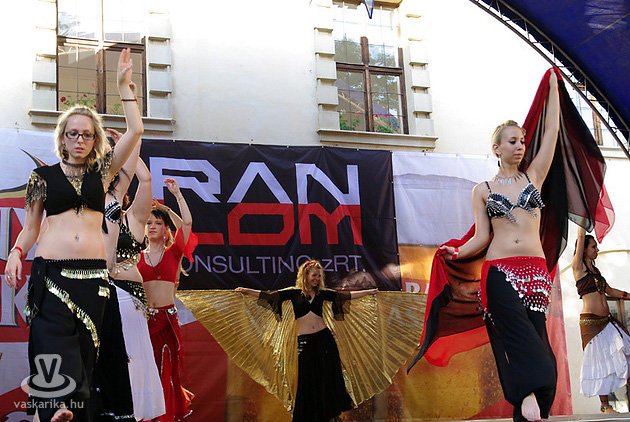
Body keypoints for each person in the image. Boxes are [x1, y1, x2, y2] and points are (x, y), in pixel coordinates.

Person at [4, 48, 143, 422]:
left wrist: (123, 88)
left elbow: (135, 131)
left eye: (86, 134)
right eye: (72, 134)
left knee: (85, 350)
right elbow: (31, 228)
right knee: (52, 341)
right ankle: (56, 407)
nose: (79, 140)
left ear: (95, 140)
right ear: (62, 139)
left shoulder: (103, 174)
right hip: (52, 274)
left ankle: (73, 412)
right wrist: (16, 251)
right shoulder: (42, 178)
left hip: (93, 278)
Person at [438, 72, 559, 422]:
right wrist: (458, 253)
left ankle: (529, 404)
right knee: (517, 338)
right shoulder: (483, 190)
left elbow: (551, 133)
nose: (520, 146)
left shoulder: (534, 176)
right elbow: (481, 237)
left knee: (537, 342)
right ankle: (527, 393)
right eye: (512, 141)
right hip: (499, 273)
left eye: (522, 141)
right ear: (497, 148)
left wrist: (553, 88)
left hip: (535, 273)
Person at [235, 260, 377, 421]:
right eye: (314, 275)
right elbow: (270, 296)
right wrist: (246, 290)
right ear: (305, 275)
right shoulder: (294, 293)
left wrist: (368, 292)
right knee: (307, 378)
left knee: (328, 377)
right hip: (304, 341)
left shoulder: (322, 293)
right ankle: (309, 416)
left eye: (319, 276)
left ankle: (329, 415)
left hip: (325, 340)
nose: (317, 279)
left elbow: (344, 296)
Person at [102, 127, 165, 420]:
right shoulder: (92, 216)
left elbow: (146, 179)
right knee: (110, 360)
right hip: (101, 293)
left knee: (134, 359)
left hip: (130, 299)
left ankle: (134, 414)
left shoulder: (135, 220)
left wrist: (130, 143)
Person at [137, 178, 197, 422]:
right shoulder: (135, 257)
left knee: (165, 370)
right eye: (148, 223)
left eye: (158, 223)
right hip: (143, 323)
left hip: (167, 322)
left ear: (166, 230)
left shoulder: (174, 253)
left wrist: (172, 202)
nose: (152, 226)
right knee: (144, 371)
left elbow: (187, 224)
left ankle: (164, 417)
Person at [572, 226, 630, 414]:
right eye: (593, 247)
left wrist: (628, 295)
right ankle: (605, 406)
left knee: (626, 351)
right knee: (599, 362)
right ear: (583, 249)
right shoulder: (578, 268)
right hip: (591, 324)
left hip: (607, 321)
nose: (597, 250)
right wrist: (582, 221)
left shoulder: (596, 271)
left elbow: (610, 291)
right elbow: (581, 235)